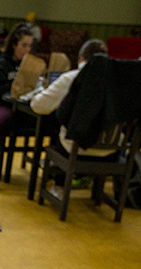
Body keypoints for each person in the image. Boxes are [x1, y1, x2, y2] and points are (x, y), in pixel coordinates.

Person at [29, 39, 110, 200]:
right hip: (109, 151)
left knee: (58, 124)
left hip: (75, 149)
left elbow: (38, 105)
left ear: (81, 58)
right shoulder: (117, 83)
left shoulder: (72, 78)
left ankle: (58, 185)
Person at [0, 22, 35, 191]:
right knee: (0, 122)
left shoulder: (31, 65)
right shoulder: (2, 64)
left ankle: (52, 171)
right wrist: (14, 86)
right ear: (14, 45)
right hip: (2, 105)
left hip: (25, 106)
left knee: (51, 120)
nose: (27, 50)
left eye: (30, 46)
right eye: (24, 45)